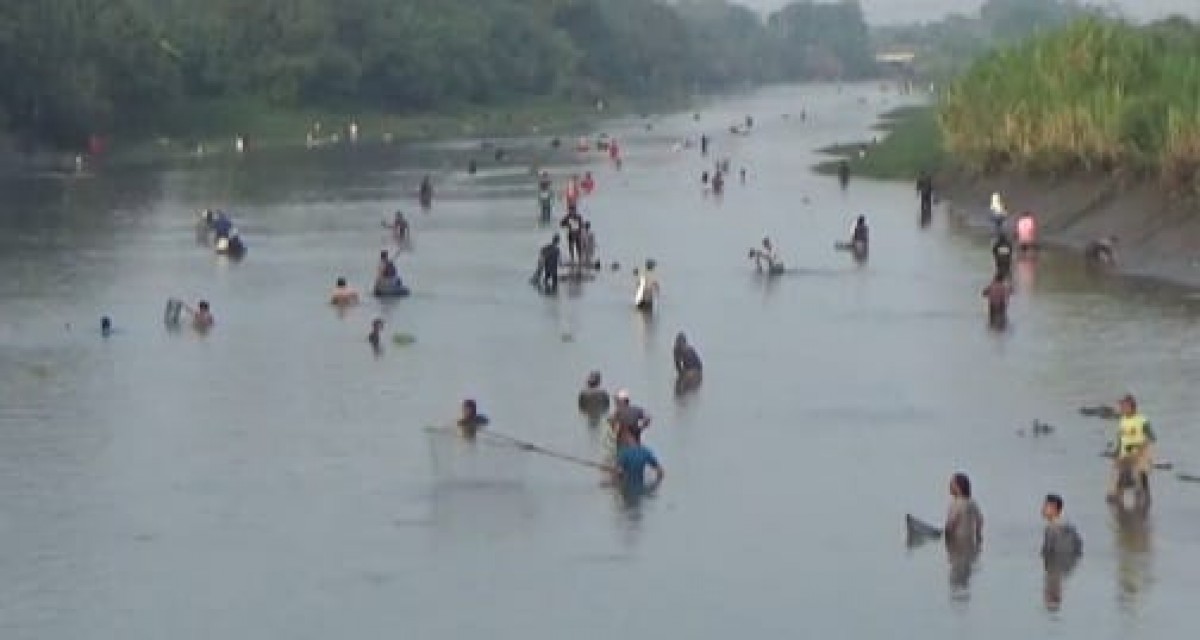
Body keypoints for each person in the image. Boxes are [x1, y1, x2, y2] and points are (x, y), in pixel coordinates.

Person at [1107, 394, 1156, 503]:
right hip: (1125, 453)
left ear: (1131, 407)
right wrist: (1117, 452)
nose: (1121, 408)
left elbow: (1152, 437)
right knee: (1119, 474)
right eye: (1121, 406)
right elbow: (1121, 437)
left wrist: (1141, 448)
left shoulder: (1142, 420)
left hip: (1140, 452)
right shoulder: (1123, 420)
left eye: (1124, 406)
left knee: (1140, 475)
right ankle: (1117, 498)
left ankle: (1145, 498)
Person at [612, 429, 663, 495]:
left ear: (631, 438)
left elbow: (618, 474)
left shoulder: (624, 453)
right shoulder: (646, 452)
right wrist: (656, 482)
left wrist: (615, 477)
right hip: (641, 487)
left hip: (627, 488)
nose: (623, 439)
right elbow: (661, 472)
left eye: (624, 437)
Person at [944, 472, 983, 553]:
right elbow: (980, 520)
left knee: (956, 564)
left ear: (958, 487)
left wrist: (946, 540)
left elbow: (952, 524)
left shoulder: (956, 504)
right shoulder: (972, 502)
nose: (949, 487)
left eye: (952, 485)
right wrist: (978, 535)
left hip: (956, 543)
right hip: (970, 541)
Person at [1041, 494, 1083, 565]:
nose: (1042, 509)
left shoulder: (1052, 529)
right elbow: (1079, 547)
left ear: (1053, 508)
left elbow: (1048, 552)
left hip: (1057, 565)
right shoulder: (1070, 528)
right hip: (1068, 566)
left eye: (1045, 506)